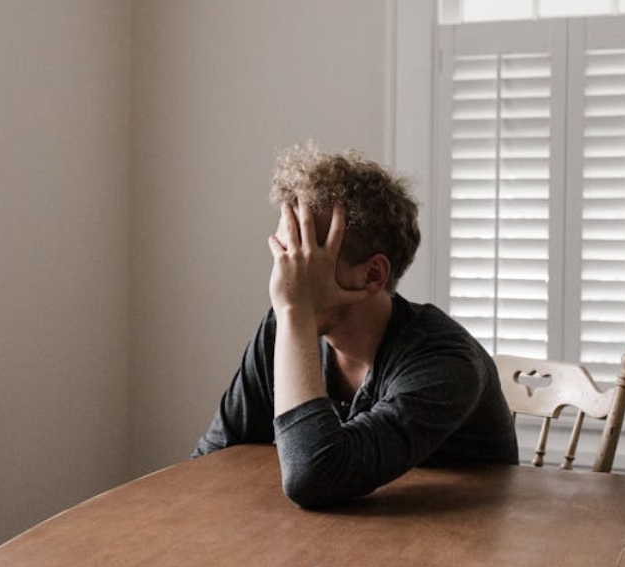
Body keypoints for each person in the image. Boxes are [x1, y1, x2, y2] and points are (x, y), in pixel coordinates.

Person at [193, 144, 518, 508]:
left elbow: (314, 477)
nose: (284, 278)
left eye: (304, 258)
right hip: (345, 532)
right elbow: (211, 461)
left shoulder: (447, 362)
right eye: (284, 254)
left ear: (373, 274)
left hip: (462, 535)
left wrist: (296, 311)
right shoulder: (283, 327)